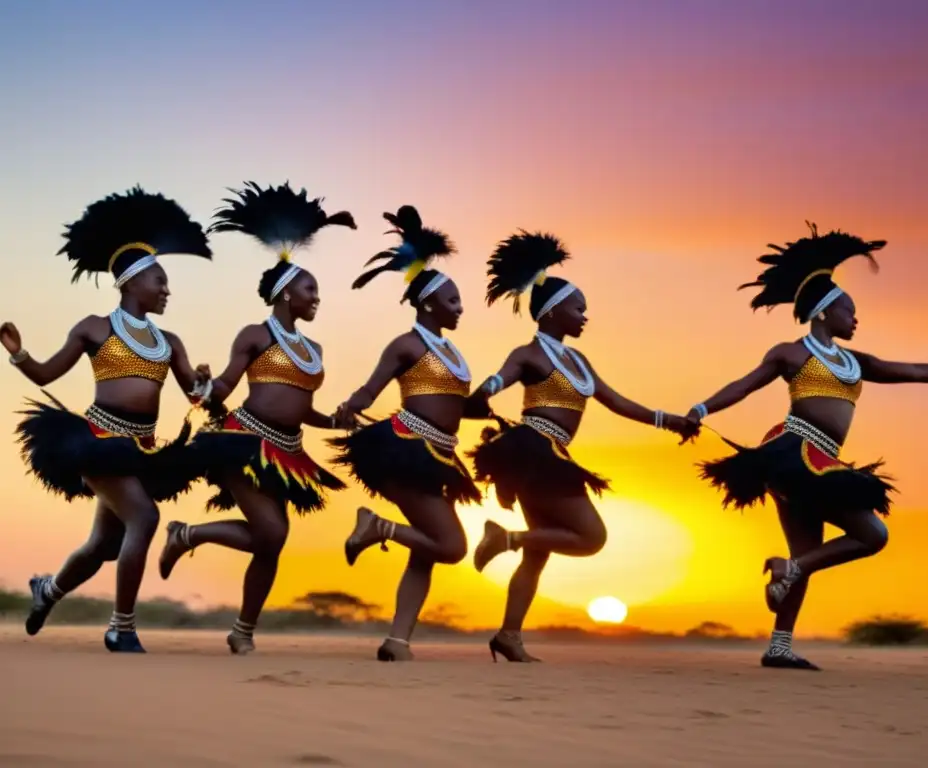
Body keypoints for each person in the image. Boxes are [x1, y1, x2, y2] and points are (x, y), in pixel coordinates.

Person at [685, 223, 928, 670]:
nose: (855, 318)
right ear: (824, 312)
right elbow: (743, 385)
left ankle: (779, 645)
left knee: (805, 553)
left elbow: (911, 371)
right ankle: (791, 576)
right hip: (793, 452)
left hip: (821, 458)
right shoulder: (791, 353)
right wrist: (700, 410)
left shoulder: (856, 362)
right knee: (872, 534)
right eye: (849, 310)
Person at [1, 187, 213, 652]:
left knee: (104, 546)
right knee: (145, 517)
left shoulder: (170, 341)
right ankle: (122, 626)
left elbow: (196, 398)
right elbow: (46, 374)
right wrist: (19, 354)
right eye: (158, 280)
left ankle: (48, 590)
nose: (166, 289)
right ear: (131, 281)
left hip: (143, 450)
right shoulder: (94, 327)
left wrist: (203, 383)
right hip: (98, 441)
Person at [464, 231, 689, 662]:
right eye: (578, 308)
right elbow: (500, 377)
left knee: (540, 551)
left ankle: (509, 636)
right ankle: (504, 537)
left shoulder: (579, 361)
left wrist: (669, 420)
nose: (585, 315)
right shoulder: (529, 353)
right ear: (552, 312)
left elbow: (617, 401)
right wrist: (485, 392)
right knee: (591, 537)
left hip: (552, 454)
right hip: (533, 450)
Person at [157, 181, 355, 655]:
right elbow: (225, 386)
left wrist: (339, 421)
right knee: (270, 533)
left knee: (272, 545)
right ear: (287, 294)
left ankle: (242, 630)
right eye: (311, 289)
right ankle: (187, 535)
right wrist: (204, 387)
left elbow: (303, 410)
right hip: (243, 442)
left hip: (289, 454)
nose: (317, 298)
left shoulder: (314, 349)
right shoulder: (255, 334)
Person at [330, 205, 481, 662]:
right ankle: (378, 526)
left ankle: (398, 641)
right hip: (405, 451)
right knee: (452, 547)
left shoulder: (451, 351)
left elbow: (447, 403)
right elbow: (372, 387)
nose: (460, 307)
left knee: (428, 551)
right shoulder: (407, 344)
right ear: (428, 302)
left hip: (439, 455)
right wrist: (349, 407)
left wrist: (479, 410)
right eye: (453, 300)